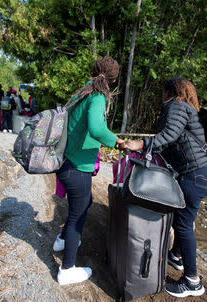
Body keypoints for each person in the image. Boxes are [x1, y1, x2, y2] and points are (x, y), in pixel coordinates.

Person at [120, 77, 207, 298]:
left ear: (170, 92)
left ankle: (192, 282)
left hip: (194, 174)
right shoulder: (187, 109)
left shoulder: (176, 105)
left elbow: (168, 136)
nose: (161, 97)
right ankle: (177, 256)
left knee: (182, 225)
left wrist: (140, 144)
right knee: (185, 219)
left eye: (163, 93)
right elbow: (173, 141)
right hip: (204, 173)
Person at [54, 56, 124, 286]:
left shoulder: (83, 91)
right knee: (77, 215)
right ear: (113, 80)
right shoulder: (98, 96)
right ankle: (67, 270)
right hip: (76, 168)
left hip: (66, 162)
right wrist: (117, 142)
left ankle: (63, 240)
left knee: (85, 202)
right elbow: (96, 128)